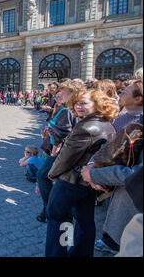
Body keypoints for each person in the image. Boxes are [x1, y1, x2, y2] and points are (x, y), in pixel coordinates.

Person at [45, 89, 118, 257]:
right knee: (85, 221)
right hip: (88, 183)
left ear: (98, 104)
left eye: (84, 103)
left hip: (71, 182)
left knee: (57, 218)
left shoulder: (86, 127)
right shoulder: (107, 123)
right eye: (77, 102)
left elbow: (65, 158)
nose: (78, 106)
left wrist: (52, 173)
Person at [82, 114, 143, 255]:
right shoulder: (139, 121)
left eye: (125, 92)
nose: (121, 95)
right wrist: (93, 165)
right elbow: (115, 146)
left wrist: (94, 175)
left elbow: (137, 175)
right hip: (122, 200)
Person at [36, 81, 80, 223]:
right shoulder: (62, 108)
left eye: (63, 92)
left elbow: (62, 135)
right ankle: (49, 208)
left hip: (59, 152)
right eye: (58, 92)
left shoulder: (67, 110)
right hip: (54, 147)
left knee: (43, 176)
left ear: (72, 94)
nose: (58, 94)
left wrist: (54, 154)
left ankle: (49, 208)